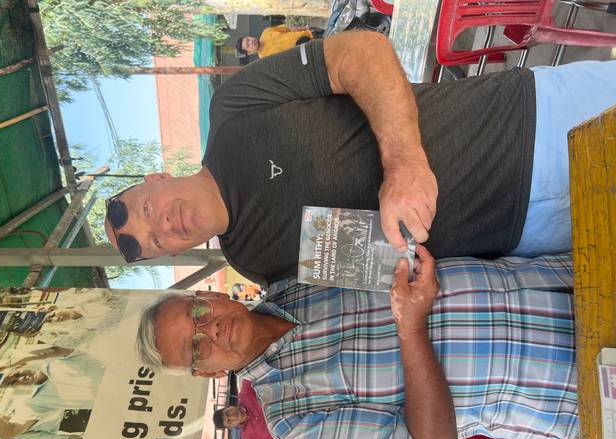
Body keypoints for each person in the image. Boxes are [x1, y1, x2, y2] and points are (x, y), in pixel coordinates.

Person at [104, 32, 616, 285]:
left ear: (156, 177)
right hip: (529, 234)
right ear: (172, 256)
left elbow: (362, 51)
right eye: (155, 244)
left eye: (149, 210)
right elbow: (384, 263)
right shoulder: (255, 264)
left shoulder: (234, 110)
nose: (165, 226)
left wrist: (405, 164)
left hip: (534, 121)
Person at [135, 248, 579, 439]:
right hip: (570, 385)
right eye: (194, 349)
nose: (208, 332)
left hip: (563, 278)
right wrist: (410, 329)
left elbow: (403, 250)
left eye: (196, 315)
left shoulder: (299, 276)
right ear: (210, 373)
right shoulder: (294, 425)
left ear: (209, 296)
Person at [213, 380, 283, 439]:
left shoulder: (245, 394)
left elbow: (248, 375)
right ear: (231, 427)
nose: (232, 417)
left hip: (287, 402)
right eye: (229, 421)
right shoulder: (248, 438)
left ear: (229, 407)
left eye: (228, 413)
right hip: (288, 430)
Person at [236, 24, 315, 59]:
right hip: (310, 50)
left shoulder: (266, 32)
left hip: (311, 33)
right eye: (248, 45)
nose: (251, 42)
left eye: (248, 39)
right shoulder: (265, 59)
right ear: (249, 53)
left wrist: (307, 27)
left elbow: (288, 28)